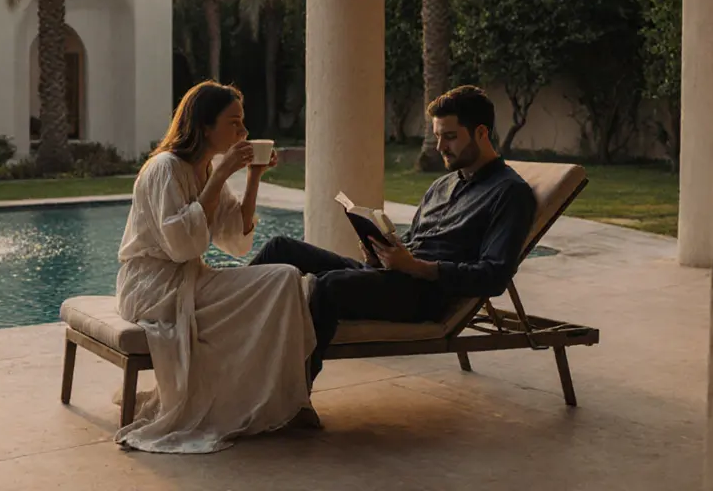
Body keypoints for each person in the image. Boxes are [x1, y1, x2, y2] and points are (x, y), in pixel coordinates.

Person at [250, 85, 537, 383]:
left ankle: (290, 397)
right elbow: (413, 242)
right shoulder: (443, 185)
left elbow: (494, 275)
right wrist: (381, 254)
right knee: (279, 248)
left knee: (328, 286)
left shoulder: (510, 193)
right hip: (394, 277)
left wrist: (415, 267)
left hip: (425, 296)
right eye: (437, 136)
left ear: (481, 133)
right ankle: (214, 332)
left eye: (450, 137)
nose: (440, 147)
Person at [114, 81, 319, 454]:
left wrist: (253, 176)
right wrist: (223, 173)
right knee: (284, 278)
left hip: (189, 279)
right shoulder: (165, 169)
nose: (243, 132)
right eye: (234, 123)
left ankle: (283, 399)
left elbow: (234, 238)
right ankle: (274, 401)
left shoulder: (206, 170)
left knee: (287, 281)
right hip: (152, 286)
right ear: (205, 126)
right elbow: (181, 246)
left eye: (243, 124)